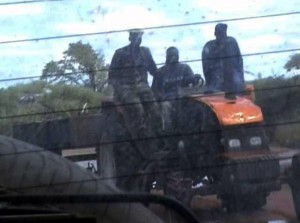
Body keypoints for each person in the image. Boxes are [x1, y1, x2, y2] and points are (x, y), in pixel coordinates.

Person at [108, 29, 162, 158]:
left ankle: (159, 139)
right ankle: (142, 141)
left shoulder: (145, 52)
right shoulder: (120, 53)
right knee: (136, 107)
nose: (138, 38)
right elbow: (112, 77)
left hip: (143, 86)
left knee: (155, 111)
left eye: (140, 36)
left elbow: (154, 71)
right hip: (126, 88)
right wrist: (119, 91)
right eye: (136, 36)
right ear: (130, 38)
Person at [152, 46, 200, 131]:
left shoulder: (185, 68)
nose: (173, 58)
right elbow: (154, 91)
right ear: (167, 57)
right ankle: (169, 133)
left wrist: (196, 79)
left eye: (175, 55)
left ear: (178, 56)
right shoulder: (160, 72)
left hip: (183, 99)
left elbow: (193, 83)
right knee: (165, 106)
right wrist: (162, 97)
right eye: (170, 55)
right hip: (168, 100)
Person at [202, 23, 244, 98]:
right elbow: (206, 68)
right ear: (215, 33)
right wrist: (209, 82)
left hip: (234, 80)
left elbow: (239, 61)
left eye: (224, 32)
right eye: (219, 33)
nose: (222, 35)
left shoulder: (232, 42)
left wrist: (241, 78)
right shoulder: (209, 46)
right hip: (216, 80)